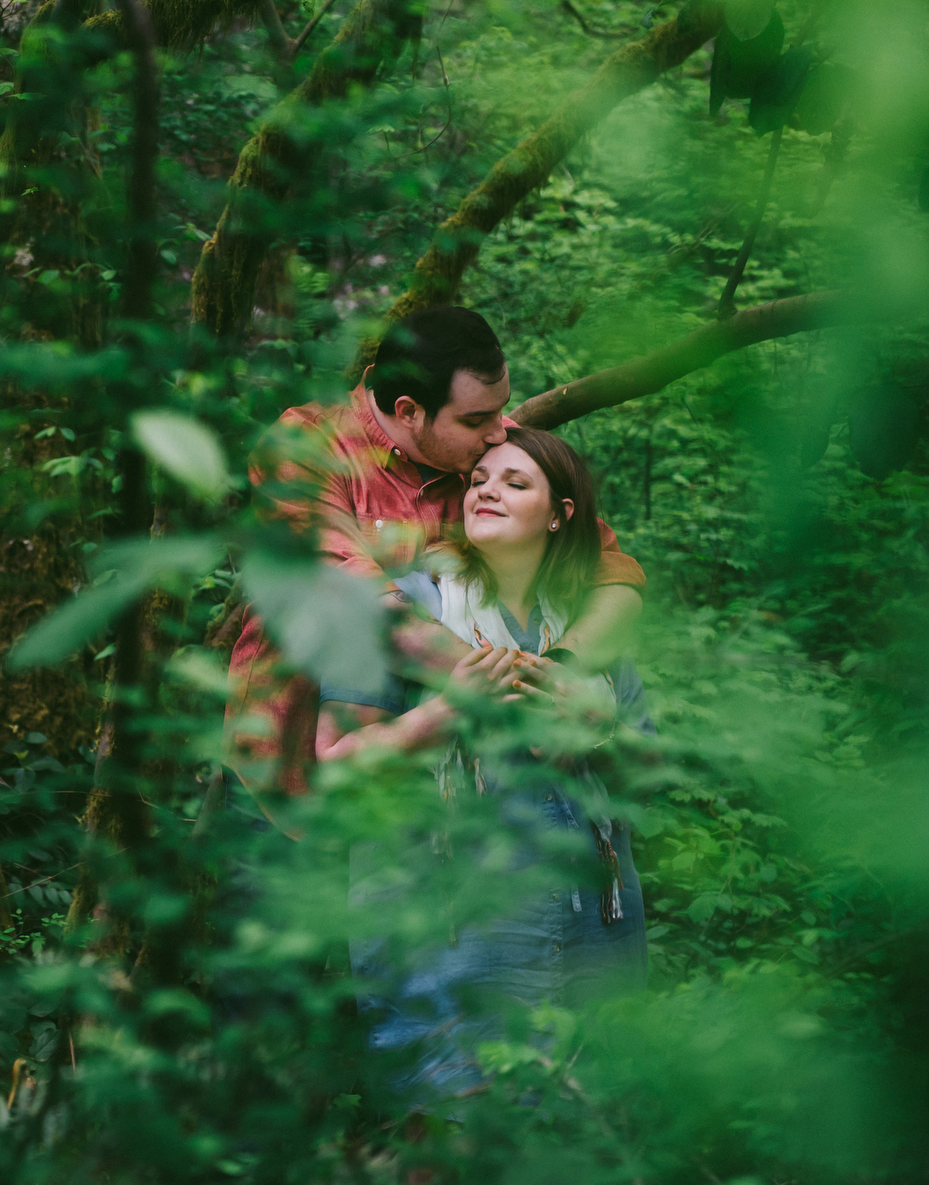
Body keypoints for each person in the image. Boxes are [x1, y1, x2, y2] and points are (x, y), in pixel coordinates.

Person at [317, 426, 652, 1111]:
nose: (487, 490)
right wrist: (439, 716)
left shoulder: (591, 632)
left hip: (595, 943)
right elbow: (335, 772)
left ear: (560, 515)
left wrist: (598, 733)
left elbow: (648, 772)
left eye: (515, 482)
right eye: (479, 480)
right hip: (450, 953)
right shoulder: (399, 609)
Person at [223, 306, 646, 797]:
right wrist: (516, 690)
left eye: (500, 408)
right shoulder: (307, 448)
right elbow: (362, 604)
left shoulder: (489, 454)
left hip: (450, 788)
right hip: (296, 762)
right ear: (408, 411)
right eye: (477, 418)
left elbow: (614, 574)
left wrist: (565, 665)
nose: (499, 431)